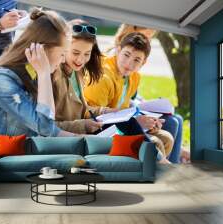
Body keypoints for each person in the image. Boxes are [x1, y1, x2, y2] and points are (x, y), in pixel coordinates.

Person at [0, 8, 77, 137]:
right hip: (9, 154)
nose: (64, 59)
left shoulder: (31, 73)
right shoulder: (0, 80)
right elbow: (45, 128)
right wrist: (44, 74)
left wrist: (84, 138)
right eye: (62, 53)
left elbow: (48, 128)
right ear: (41, 49)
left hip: (28, 150)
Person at [84, 32, 174, 163]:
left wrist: (148, 123)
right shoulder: (103, 78)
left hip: (121, 126)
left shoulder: (134, 77)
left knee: (166, 138)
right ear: (118, 50)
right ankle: (158, 173)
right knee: (155, 143)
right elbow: (94, 120)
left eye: (137, 60)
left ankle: (156, 175)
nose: (129, 63)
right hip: (101, 132)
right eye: (126, 55)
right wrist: (136, 122)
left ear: (144, 62)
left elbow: (124, 111)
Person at [113, 24, 188, 163]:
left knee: (176, 118)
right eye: (144, 35)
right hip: (123, 115)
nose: (147, 40)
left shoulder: (133, 65)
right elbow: (119, 101)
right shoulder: (120, 57)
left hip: (131, 109)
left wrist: (146, 104)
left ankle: (174, 160)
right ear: (132, 30)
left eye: (150, 37)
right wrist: (140, 110)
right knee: (171, 122)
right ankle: (172, 163)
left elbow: (131, 95)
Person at [52, 19, 112, 134]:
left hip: (78, 138)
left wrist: (107, 111)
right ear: (64, 47)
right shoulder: (53, 75)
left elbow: (82, 109)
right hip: (61, 142)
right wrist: (83, 126)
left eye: (86, 54)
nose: (80, 60)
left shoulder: (77, 72)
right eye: (75, 53)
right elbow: (45, 126)